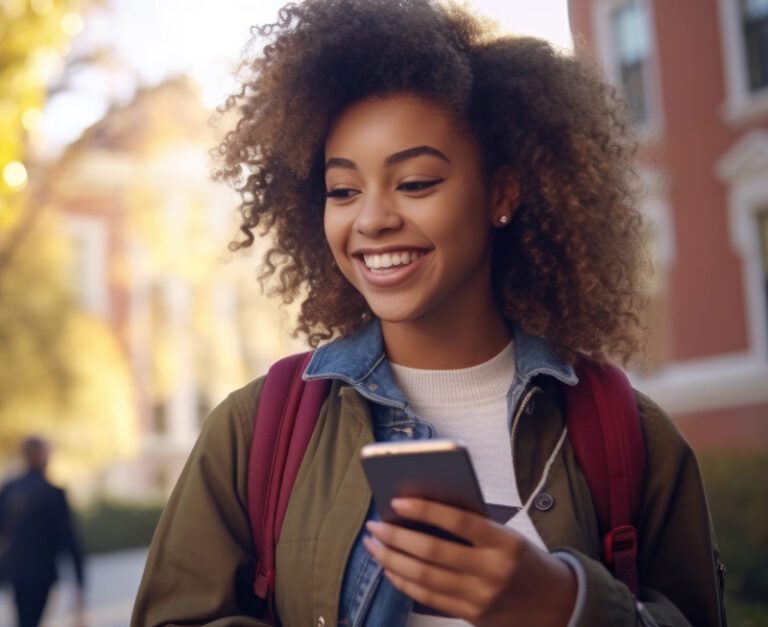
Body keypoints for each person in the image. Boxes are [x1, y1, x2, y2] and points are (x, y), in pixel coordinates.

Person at [132, 1, 727, 625]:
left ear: (502, 193)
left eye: (415, 182)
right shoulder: (261, 429)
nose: (371, 219)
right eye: (343, 190)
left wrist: (569, 606)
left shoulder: (625, 431)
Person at [0, 436, 85, 627]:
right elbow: (69, 539)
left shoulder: (10, 488)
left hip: (15, 572)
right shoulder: (52, 493)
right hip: (41, 573)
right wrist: (80, 584)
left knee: (24, 620)